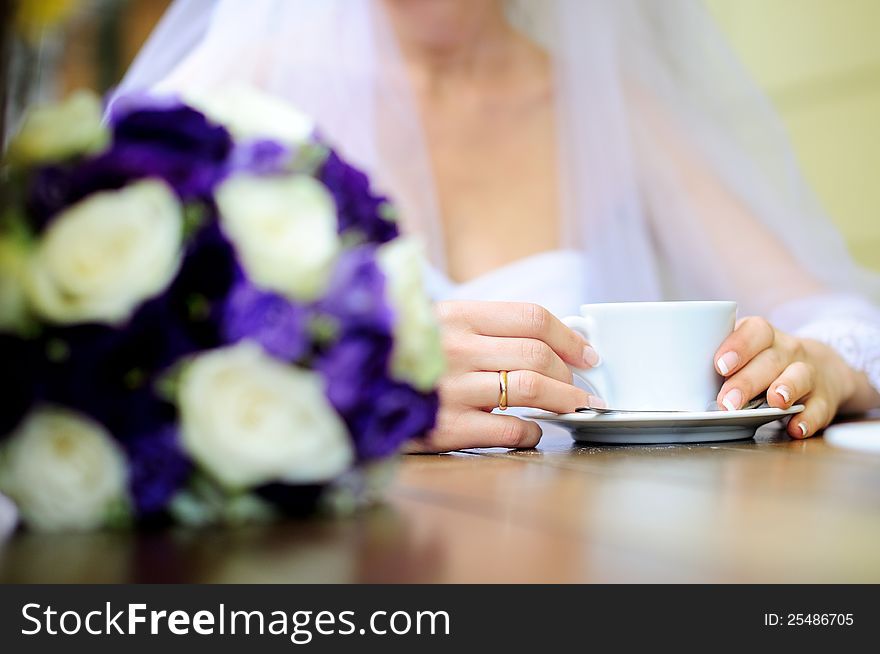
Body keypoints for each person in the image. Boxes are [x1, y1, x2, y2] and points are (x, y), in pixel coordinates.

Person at [117, 0, 880, 452]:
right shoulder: (240, 89)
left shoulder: (606, 106)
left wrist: (824, 361)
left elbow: (833, 311)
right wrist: (350, 388)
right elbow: (94, 350)